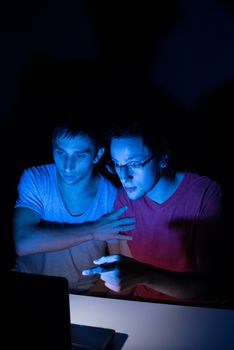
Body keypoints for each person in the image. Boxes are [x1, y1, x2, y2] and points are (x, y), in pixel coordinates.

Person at [83, 107, 224, 305]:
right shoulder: (124, 199)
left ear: (163, 157)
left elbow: (207, 285)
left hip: (198, 313)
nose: (124, 177)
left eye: (134, 164)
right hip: (145, 308)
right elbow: (127, 279)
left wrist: (144, 275)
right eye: (116, 164)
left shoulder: (205, 194)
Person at [12, 112, 135, 294]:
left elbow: (122, 273)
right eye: (61, 152)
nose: (68, 166)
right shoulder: (36, 179)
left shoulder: (113, 198)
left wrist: (88, 305)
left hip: (82, 294)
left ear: (97, 155)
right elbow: (23, 242)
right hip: (27, 287)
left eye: (80, 156)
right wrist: (93, 231)